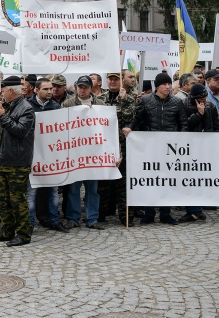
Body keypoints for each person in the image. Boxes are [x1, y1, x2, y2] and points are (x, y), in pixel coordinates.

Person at [127, 73, 187, 224]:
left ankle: (165, 213)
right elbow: (138, 117)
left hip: (170, 148)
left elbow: (183, 124)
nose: (167, 87)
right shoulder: (146, 100)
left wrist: (182, 141)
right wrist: (130, 128)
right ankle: (149, 213)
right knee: (150, 180)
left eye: (169, 84)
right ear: (157, 86)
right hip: (150, 146)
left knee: (167, 180)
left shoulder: (177, 102)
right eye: (164, 84)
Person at [0, 76, 35, 247]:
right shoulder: (6, 107)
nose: (1, 93)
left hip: (17, 162)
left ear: (10, 90)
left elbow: (21, 131)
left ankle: (23, 234)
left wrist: (3, 117)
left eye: (3, 90)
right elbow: (0, 133)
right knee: (2, 199)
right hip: (3, 160)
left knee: (18, 199)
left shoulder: (26, 109)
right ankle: (7, 231)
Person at [62, 75, 105, 230]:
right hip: (75, 153)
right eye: (80, 87)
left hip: (93, 154)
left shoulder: (100, 104)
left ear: (90, 88)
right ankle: (73, 218)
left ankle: (92, 218)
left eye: (85, 87)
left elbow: (107, 128)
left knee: (92, 189)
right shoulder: (67, 104)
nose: (82, 90)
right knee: (73, 189)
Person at [25, 77, 66, 233]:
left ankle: (54, 220)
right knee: (31, 191)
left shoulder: (56, 107)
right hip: (33, 155)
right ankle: (29, 223)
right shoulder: (27, 106)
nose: (50, 91)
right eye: (46, 89)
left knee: (53, 191)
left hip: (51, 156)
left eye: (51, 89)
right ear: (36, 90)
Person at [179, 83, 219, 223]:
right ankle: (193, 210)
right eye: (202, 98)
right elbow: (184, 126)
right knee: (189, 180)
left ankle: (198, 210)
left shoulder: (211, 106)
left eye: (206, 97)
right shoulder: (184, 105)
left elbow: (216, 127)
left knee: (201, 179)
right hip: (189, 148)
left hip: (205, 147)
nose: (205, 100)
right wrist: (198, 114)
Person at [103, 72, 137, 226]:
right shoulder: (101, 99)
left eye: (116, 79)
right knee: (102, 184)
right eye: (110, 79)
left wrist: (123, 102)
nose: (113, 82)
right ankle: (100, 216)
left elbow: (128, 119)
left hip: (123, 145)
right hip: (104, 145)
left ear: (121, 81)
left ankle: (126, 217)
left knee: (123, 185)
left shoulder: (130, 99)